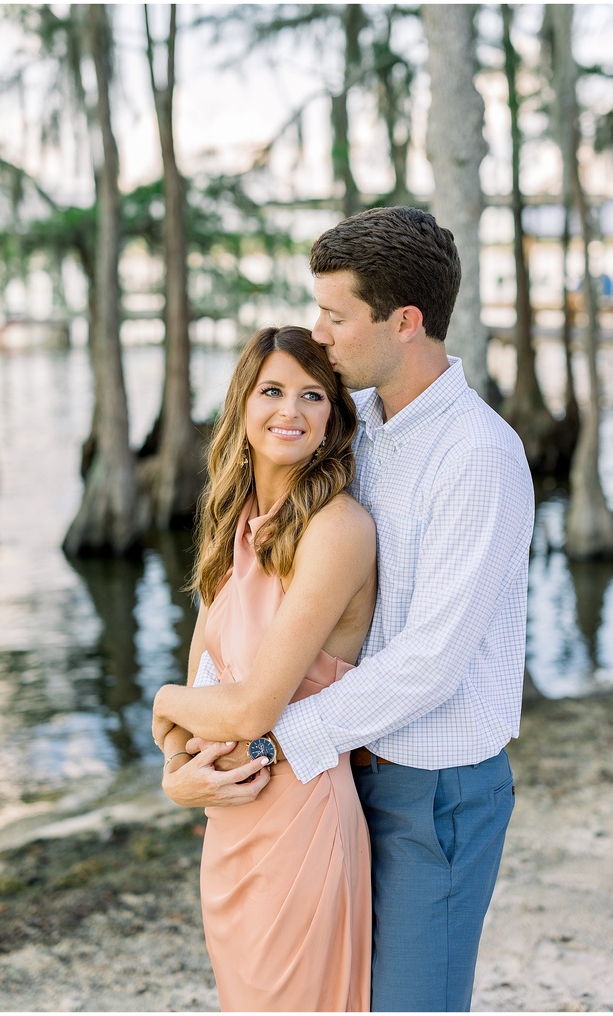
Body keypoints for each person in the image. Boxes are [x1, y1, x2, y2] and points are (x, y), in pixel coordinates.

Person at [163, 206, 536, 1013]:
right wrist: (198, 751)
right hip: (337, 772)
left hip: (432, 790)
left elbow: (430, 663)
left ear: (404, 322)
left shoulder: (477, 456)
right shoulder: (356, 427)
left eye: (336, 317)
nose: (321, 336)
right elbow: (255, 582)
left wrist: (268, 736)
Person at [152, 325, 377, 1012]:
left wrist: (160, 699)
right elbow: (203, 688)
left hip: (301, 821)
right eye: (272, 390)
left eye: (313, 396)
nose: (291, 411)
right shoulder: (232, 523)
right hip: (230, 821)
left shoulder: (338, 529)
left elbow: (249, 709)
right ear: (242, 406)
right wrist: (175, 771)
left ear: (334, 419)